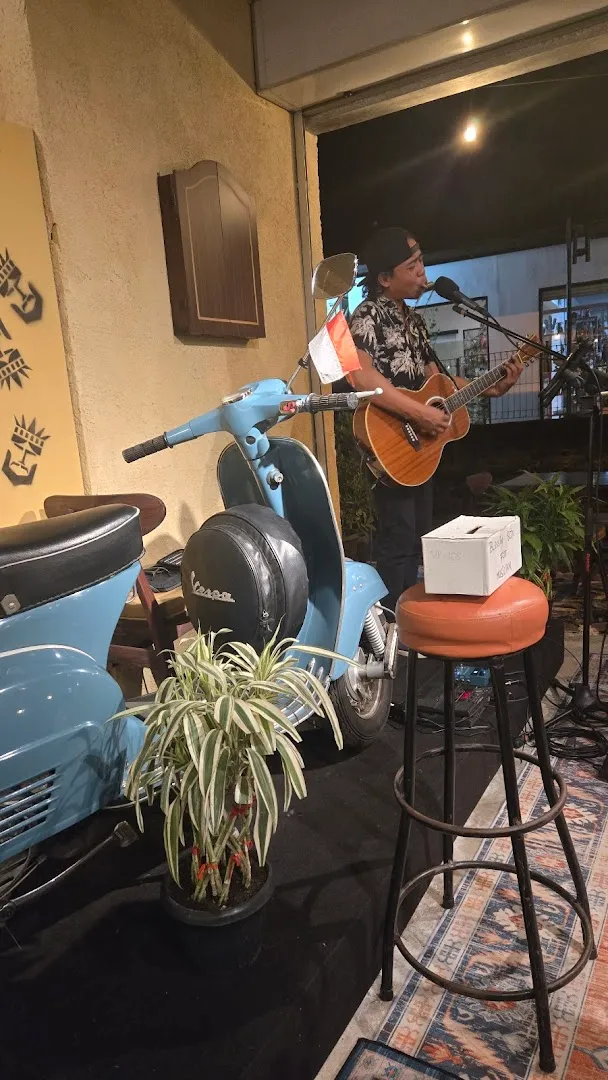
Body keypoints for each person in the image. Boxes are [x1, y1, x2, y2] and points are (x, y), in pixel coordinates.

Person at [348, 226, 522, 615]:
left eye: (421, 261)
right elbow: (360, 376)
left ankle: (411, 624)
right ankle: (389, 633)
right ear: (385, 278)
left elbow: (438, 384)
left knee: (417, 541)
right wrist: (419, 412)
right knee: (397, 543)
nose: (423, 272)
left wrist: (491, 386)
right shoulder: (367, 315)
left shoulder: (414, 321)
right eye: (413, 265)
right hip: (389, 440)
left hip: (419, 450)